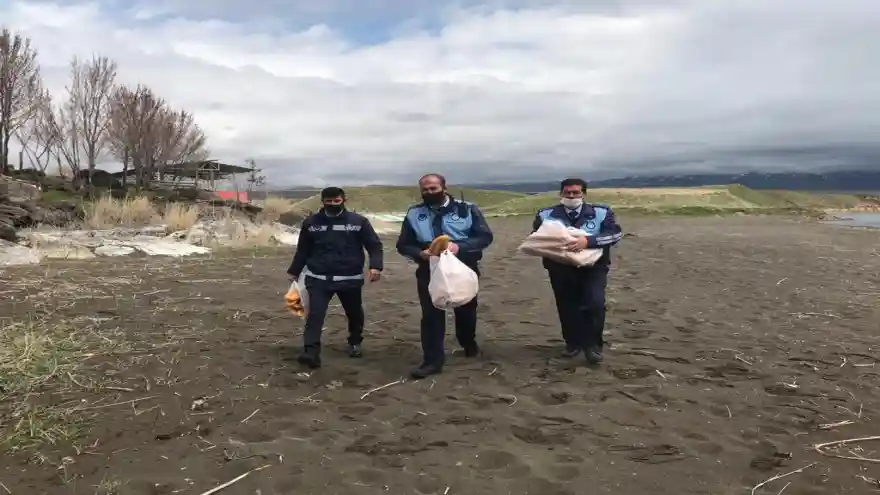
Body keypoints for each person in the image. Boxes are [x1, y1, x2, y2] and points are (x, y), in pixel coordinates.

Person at [396, 173, 494, 379]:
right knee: (431, 314)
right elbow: (403, 244)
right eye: (425, 189)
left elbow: (485, 236)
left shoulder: (467, 209)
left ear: (444, 187)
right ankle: (432, 361)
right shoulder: (414, 213)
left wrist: (459, 247)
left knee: (466, 309)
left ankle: (468, 342)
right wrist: (419, 253)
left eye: (434, 188)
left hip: (463, 265)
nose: (430, 192)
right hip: (429, 267)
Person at [287, 186, 383, 368]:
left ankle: (355, 341)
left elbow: (374, 245)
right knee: (314, 315)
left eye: (336, 201)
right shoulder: (311, 223)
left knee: (354, 313)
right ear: (322, 202)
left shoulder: (359, 222)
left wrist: (376, 266)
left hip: (350, 279)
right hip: (318, 278)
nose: (332, 204)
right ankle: (311, 352)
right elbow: (303, 250)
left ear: (344, 200)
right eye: (328, 201)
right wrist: (294, 271)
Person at [532, 178, 622, 365]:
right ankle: (572, 343)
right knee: (567, 306)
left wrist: (587, 242)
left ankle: (593, 345)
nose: (571, 196)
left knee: (595, 303)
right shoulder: (545, 214)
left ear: (584, 194)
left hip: (594, 267)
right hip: (560, 267)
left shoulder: (601, 212)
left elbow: (613, 234)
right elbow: (537, 238)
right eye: (567, 193)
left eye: (576, 192)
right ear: (561, 194)